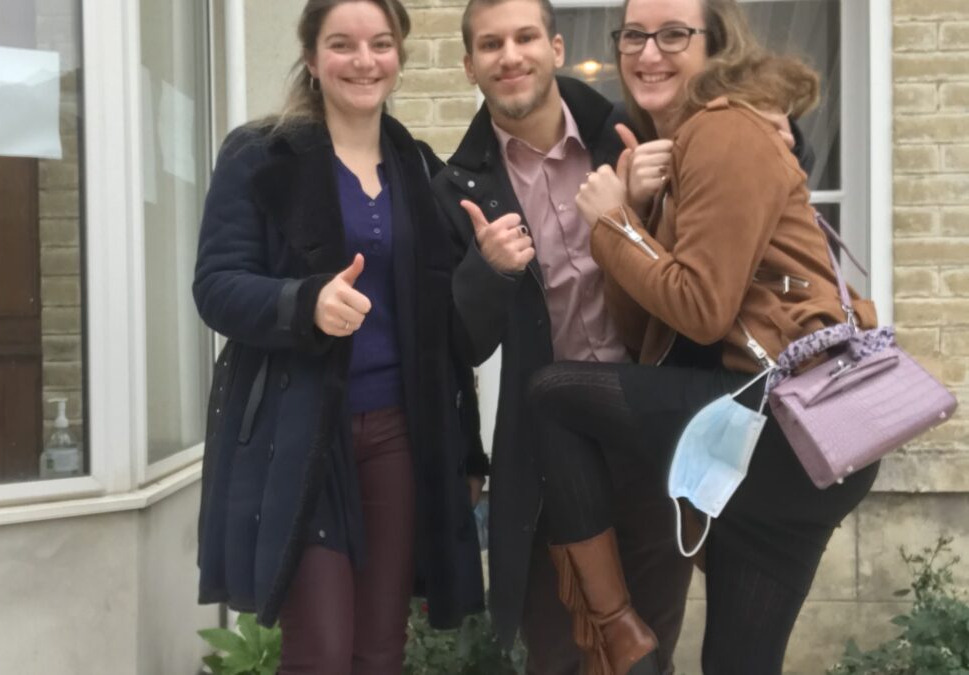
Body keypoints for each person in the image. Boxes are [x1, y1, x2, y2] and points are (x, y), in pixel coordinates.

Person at [432, 1, 810, 673]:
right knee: (555, 651)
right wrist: (486, 272)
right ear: (469, 65)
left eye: (525, 37)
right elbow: (463, 344)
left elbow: (742, 172)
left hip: (651, 435)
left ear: (555, 46)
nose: (510, 56)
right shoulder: (459, 186)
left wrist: (786, 133)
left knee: (646, 654)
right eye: (490, 45)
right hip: (549, 455)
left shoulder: (630, 129)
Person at [524, 0, 880, 672]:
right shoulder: (692, 141)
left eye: (673, 35)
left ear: (717, 47)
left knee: (552, 394)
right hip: (807, 444)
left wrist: (610, 227)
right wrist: (638, 212)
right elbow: (643, 333)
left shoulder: (723, 130)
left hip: (775, 419)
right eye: (633, 34)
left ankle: (614, 627)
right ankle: (619, 631)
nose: (647, 53)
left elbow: (703, 308)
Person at [192, 1, 487, 673]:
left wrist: (466, 448)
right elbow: (215, 285)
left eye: (380, 44)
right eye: (342, 44)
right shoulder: (260, 154)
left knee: (379, 647)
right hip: (300, 435)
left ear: (400, 56)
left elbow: (444, 329)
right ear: (312, 55)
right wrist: (305, 302)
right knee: (321, 650)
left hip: (396, 434)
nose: (363, 61)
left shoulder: (415, 164)